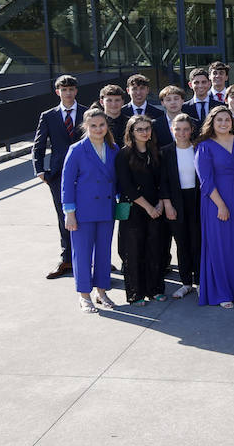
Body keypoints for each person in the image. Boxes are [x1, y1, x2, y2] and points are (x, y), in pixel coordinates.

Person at [195, 106, 234, 308]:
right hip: (216, 201)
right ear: (211, 123)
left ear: (232, 122)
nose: (223, 123)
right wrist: (220, 205)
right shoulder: (204, 146)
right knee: (220, 246)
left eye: (227, 120)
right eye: (219, 120)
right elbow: (205, 181)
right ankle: (222, 292)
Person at [61, 108, 119, 313]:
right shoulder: (76, 149)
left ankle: (101, 291)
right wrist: (69, 213)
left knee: (104, 253)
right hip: (83, 210)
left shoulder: (113, 148)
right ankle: (84, 295)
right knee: (82, 254)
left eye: (101, 125)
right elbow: (67, 183)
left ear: (106, 126)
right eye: (93, 125)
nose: (98, 129)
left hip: (106, 208)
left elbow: (117, 179)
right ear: (85, 127)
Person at [33, 74, 85, 280]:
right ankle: (66, 259)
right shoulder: (48, 115)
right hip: (58, 175)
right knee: (64, 216)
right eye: (64, 90)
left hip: (84, 174)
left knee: (86, 216)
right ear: (58, 92)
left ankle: (89, 258)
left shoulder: (87, 113)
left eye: (71, 89)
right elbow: (38, 144)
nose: (68, 93)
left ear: (76, 91)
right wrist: (40, 170)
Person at [115, 115, 167, 305]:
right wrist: (148, 208)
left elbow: (163, 180)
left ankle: (155, 289)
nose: (145, 132)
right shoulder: (124, 154)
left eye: (147, 128)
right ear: (131, 132)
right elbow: (126, 186)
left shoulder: (155, 151)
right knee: (134, 252)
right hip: (134, 209)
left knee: (155, 250)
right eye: (140, 129)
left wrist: (160, 204)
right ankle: (135, 294)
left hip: (156, 208)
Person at [158, 113, 199, 300]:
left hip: (198, 200)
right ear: (172, 130)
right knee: (182, 243)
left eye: (185, 129)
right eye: (178, 129)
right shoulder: (165, 152)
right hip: (176, 201)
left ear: (191, 130)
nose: (182, 133)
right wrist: (167, 204)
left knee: (198, 242)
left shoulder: (199, 148)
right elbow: (163, 181)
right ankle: (186, 283)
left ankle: (200, 281)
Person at [122, 73, 170, 146]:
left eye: (142, 88)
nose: (138, 93)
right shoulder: (122, 112)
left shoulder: (158, 113)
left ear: (147, 90)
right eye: (134, 89)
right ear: (128, 91)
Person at [97, 84, 129, 150]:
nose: (113, 104)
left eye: (117, 100)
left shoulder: (130, 123)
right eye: (109, 100)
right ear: (101, 102)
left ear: (123, 102)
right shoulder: (95, 124)